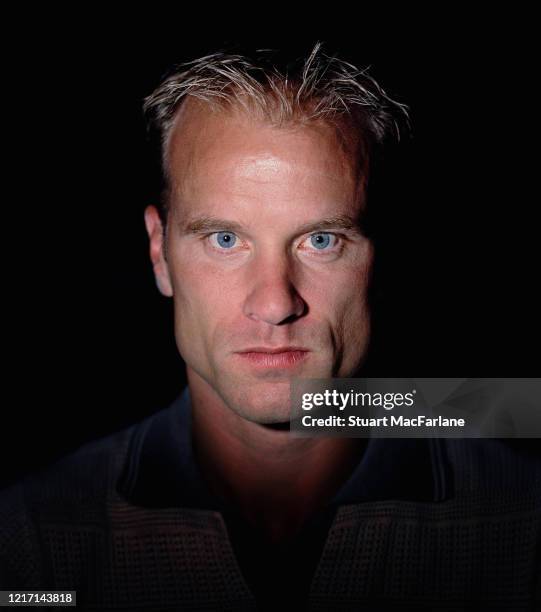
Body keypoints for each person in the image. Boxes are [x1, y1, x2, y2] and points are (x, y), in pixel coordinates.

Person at [1, 42, 540, 611]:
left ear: (380, 258)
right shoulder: (32, 545)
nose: (275, 303)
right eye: (225, 239)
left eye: (321, 240)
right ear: (160, 253)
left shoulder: (524, 530)